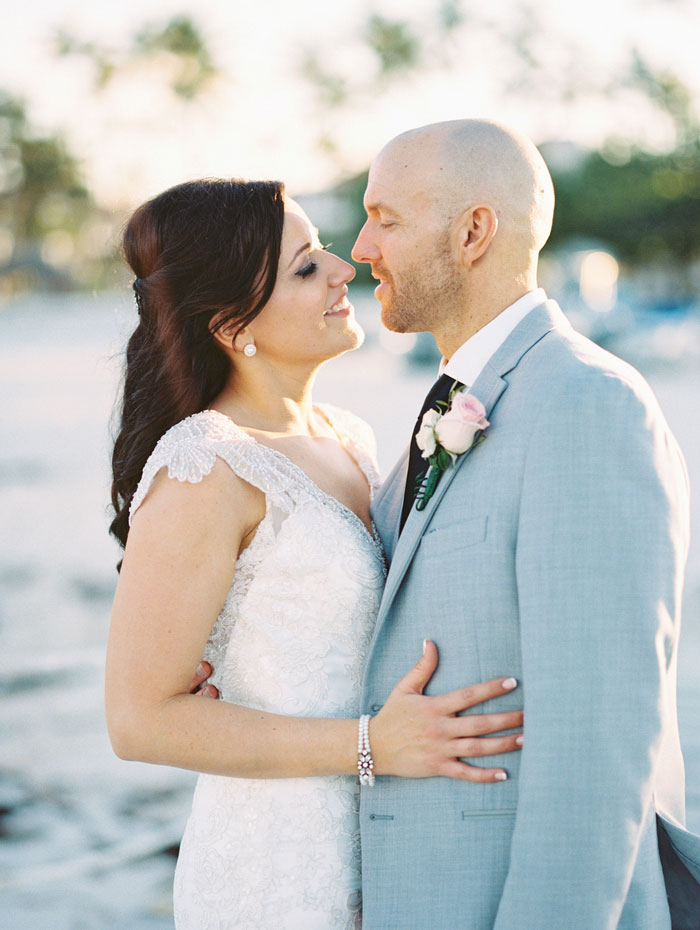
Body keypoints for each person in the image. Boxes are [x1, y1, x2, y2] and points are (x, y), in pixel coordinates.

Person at [104, 178, 524, 930]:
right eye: (305, 267)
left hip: (394, 847)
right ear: (233, 326)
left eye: (324, 250)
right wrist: (371, 747)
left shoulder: (348, 438)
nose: (344, 270)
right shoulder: (206, 465)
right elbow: (139, 720)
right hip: (275, 873)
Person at [347, 119, 700, 929]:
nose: (362, 246)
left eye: (386, 218)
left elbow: (598, 752)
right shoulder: (450, 403)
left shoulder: (585, 404)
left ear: (472, 232)